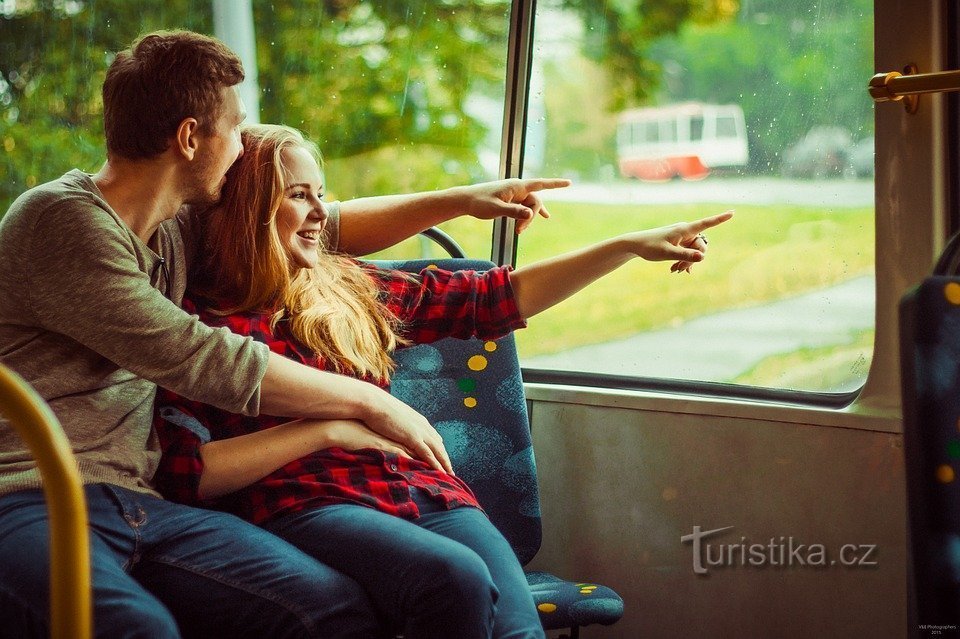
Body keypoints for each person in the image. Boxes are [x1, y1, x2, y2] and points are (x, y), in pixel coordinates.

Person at [0, 30, 569, 638]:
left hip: (142, 501)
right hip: (32, 497)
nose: (244, 143)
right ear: (191, 138)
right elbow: (201, 358)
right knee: (138, 628)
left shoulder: (168, 228)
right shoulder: (63, 222)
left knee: (328, 608)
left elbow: (322, 222)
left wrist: (462, 200)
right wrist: (370, 402)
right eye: (237, 127)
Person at [153, 124, 733, 638]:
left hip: (423, 489)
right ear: (251, 208)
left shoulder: (346, 286)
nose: (322, 214)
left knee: (514, 623)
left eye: (322, 196)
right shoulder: (198, 323)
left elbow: (499, 297)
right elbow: (187, 473)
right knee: (456, 578)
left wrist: (626, 246)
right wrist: (328, 429)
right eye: (298, 195)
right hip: (309, 502)